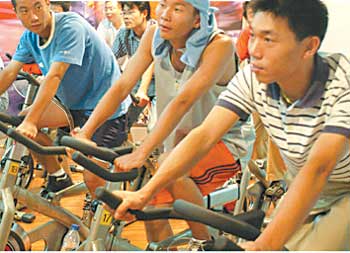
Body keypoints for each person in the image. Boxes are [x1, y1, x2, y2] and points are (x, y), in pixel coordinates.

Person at [110, 0, 350, 250]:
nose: (254, 50)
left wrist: (261, 246)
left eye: (268, 40)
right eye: (253, 36)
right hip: (304, 183)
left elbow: (319, 168)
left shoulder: (341, 83)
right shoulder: (254, 77)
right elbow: (204, 135)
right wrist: (144, 193)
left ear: (309, 46)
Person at [74, 0, 254, 247]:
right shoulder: (154, 34)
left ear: (198, 18)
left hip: (224, 141)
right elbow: (122, 86)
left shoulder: (219, 46)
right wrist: (85, 132)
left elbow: (184, 100)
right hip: (175, 142)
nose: (166, 15)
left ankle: (206, 244)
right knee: (149, 211)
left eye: (178, 8)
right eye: (163, 5)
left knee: (173, 172)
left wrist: (142, 151)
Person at [0, 0, 130, 196]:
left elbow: (55, 75)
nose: (33, 16)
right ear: (17, 13)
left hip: (104, 105)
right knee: (21, 124)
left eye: (37, 7)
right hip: (72, 104)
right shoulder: (29, 37)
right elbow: (10, 71)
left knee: (92, 178)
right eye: (24, 10)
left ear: (47, 4)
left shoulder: (70, 26)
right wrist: (29, 122)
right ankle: (59, 176)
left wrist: (33, 122)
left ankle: (110, 218)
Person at [112, 1, 156, 129]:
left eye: (130, 13)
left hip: (161, 82)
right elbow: (112, 59)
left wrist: (143, 89)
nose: (126, 17)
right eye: (123, 13)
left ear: (144, 13)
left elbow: (150, 61)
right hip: (137, 83)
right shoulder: (124, 33)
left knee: (154, 127)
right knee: (123, 123)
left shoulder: (156, 31)